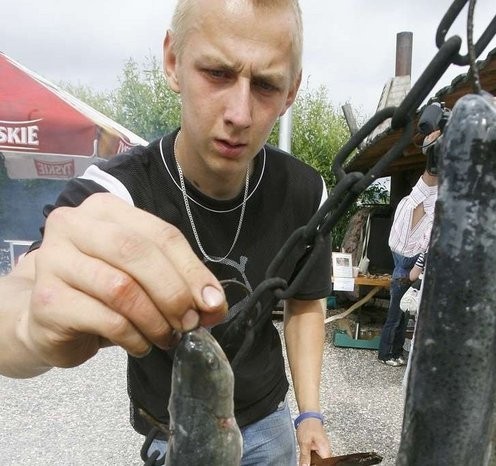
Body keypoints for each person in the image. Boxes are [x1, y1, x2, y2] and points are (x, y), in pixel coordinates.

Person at [0, 1, 332, 465]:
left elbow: (305, 304)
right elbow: (20, 291)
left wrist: (309, 414)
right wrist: (30, 327)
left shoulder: (305, 191)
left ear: (292, 90)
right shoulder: (115, 193)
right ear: (174, 62)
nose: (239, 113)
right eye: (217, 73)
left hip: (268, 421)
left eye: (265, 85)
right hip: (173, 434)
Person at [381, 159, 438, 367]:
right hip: (406, 267)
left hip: (405, 264)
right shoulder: (412, 205)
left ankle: (395, 352)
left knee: (402, 316)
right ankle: (387, 353)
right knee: (396, 315)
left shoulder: (409, 204)